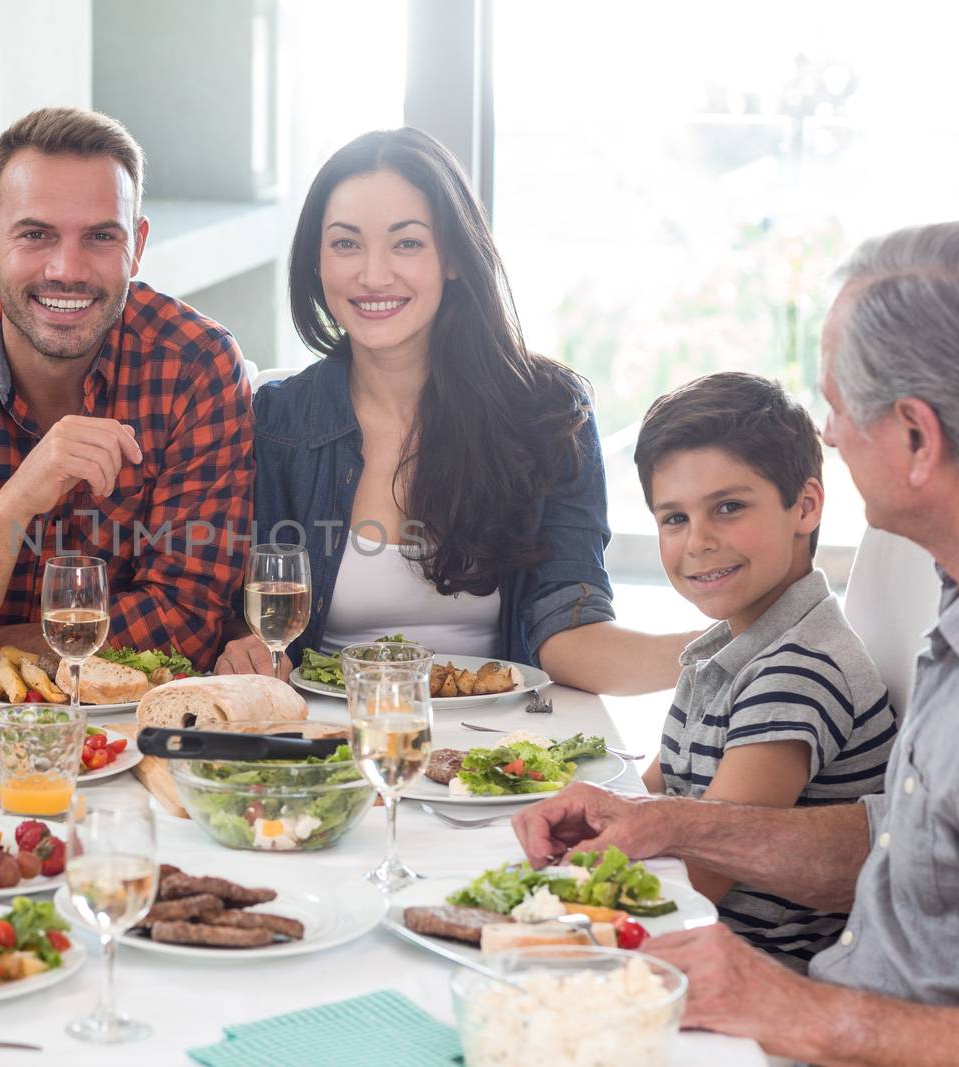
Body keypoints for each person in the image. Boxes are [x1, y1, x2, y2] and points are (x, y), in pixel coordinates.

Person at [512, 221, 959, 1065]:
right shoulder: (955, 610)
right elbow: (900, 842)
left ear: (916, 437)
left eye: (840, 409)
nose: (831, 434)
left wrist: (801, 1012)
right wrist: (658, 822)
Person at [214, 128, 691, 692]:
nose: (373, 274)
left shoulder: (548, 413)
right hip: (330, 746)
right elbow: (241, 624)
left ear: (455, 259)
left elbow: (569, 630)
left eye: (407, 243)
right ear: (316, 262)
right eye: (346, 244)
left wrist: (736, 644)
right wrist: (244, 654)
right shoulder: (276, 423)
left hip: (497, 749)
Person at [0, 106, 254, 712]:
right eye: (35, 234)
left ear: (137, 246)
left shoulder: (195, 365)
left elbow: (189, 620)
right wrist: (23, 493)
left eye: (100, 236)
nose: (67, 270)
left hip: (129, 719)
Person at [632, 371, 895, 967]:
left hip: (749, 969)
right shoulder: (729, 647)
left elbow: (704, 870)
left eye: (728, 507)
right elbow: (649, 793)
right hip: (695, 938)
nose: (697, 542)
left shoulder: (796, 672)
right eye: (673, 519)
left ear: (805, 506)